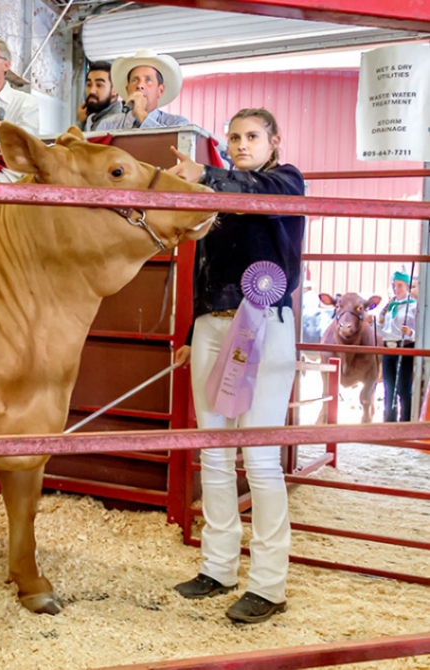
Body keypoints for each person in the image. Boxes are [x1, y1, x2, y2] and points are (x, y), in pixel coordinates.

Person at [168, 108, 305, 623]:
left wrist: (205, 174)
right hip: (213, 325)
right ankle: (219, 566)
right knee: (214, 453)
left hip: (264, 323)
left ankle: (269, 585)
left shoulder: (284, 182)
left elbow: (258, 187)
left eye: (252, 136)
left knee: (261, 459)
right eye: (233, 137)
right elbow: (208, 269)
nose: (241, 143)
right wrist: (191, 333)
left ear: (274, 141)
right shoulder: (218, 196)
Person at [93, 49, 190, 131]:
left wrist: (143, 117)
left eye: (148, 80)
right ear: (127, 89)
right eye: (135, 80)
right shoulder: (107, 126)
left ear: (160, 90)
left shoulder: (178, 124)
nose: (140, 85)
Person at [378, 270, 417, 422]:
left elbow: (420, 331)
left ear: (407, 287)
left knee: (402, 387)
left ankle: (405, 420)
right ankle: (389, 420)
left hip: (405, 347)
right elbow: (384, 328)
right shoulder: (389, 307)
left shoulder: (414, 306)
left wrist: (411, 332)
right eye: (394, 286)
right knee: (388, 386)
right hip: (388, 347)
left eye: (400, 285)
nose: (397, 289)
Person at [78, 61, 123, 132]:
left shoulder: (114, 123)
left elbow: (76, 143)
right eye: (89, 85)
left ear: (115, 90)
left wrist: (79, 123)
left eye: (99, 85)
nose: (92, 91)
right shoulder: (93, 119)